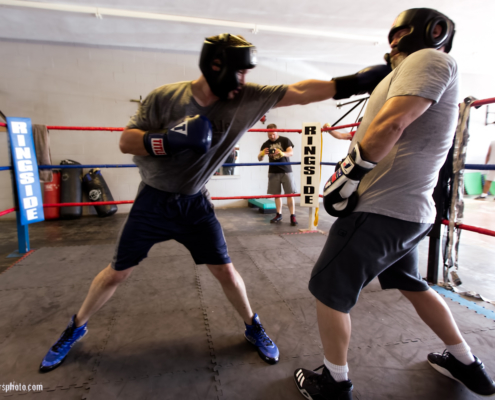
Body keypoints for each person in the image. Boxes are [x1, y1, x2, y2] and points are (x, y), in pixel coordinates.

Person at [39, 33, 390, 372]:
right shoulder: (166, 97)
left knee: (225, 270)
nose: (243, 79)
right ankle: (76, 326)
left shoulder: (247, 98)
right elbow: (126, 142)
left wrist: (355, 81)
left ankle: (252, 325)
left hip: (195, 205)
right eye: (239, 71)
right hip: (153, 202)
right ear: (216, 66)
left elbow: (300, 92)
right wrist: (166, 141)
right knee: (117, 273)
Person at [294, 8, 495, 400]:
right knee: (409, 281)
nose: (392, 42)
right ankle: (467, 364)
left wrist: (348, 175)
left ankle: (334, 383)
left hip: (382, 209)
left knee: (328, 287)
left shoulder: (430, 58)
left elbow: (392, 124)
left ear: (431, 32)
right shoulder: (403, 74)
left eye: (400, 32)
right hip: (408, 212)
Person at [258, 124, 298, 226]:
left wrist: (282, 153)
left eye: (274, 134)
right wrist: (262, 154)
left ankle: (292, 216)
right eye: (270, 134)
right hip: (273, 171)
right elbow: (259, 158)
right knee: (277, 195)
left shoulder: (285, 140)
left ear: (277, 132)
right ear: (267, 133)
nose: (272, 136)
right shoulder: (265, 144)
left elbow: (291, 152)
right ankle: (278, 214)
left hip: (286, 170)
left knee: (289, 194)